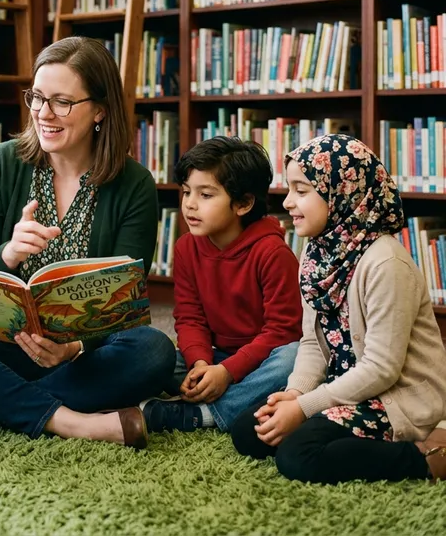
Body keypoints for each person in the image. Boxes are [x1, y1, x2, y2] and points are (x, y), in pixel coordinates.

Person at [0, 36, 176, 448]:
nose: (44, 113)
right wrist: (9, 253)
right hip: (0, 344)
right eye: (38, 97)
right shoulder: (1, 162)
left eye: (62, 101)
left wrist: (73, 347)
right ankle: (71, 421)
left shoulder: (134, 184)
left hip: (79, 358)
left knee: (153, 350)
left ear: (100, 110)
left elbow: (123, 301)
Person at [231, 134, 446, 483]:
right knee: (247, 431)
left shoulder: (386, 263)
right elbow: (312, 342)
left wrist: (304, 409)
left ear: (342, 192)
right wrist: (296, 393)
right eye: (289, 189)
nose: (287, 202)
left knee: (298, 456)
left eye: (302, 191)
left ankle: (427, 459)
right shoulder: (316, 254)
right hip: (341, 390)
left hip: (392, 398)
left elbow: (382, 369)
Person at [141, 137, 302, 433]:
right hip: (216, 355)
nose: (190, 204)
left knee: (293, 359)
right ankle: (224, 394)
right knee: (154, 351)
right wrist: (200, 364)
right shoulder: (186, 247)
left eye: (205, 195)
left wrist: (227, 372)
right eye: (186, 191)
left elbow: (283, 332)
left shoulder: (273, 253)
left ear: (243, 203)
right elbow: (189, 317)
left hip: (263, 360)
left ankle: (205, 414)